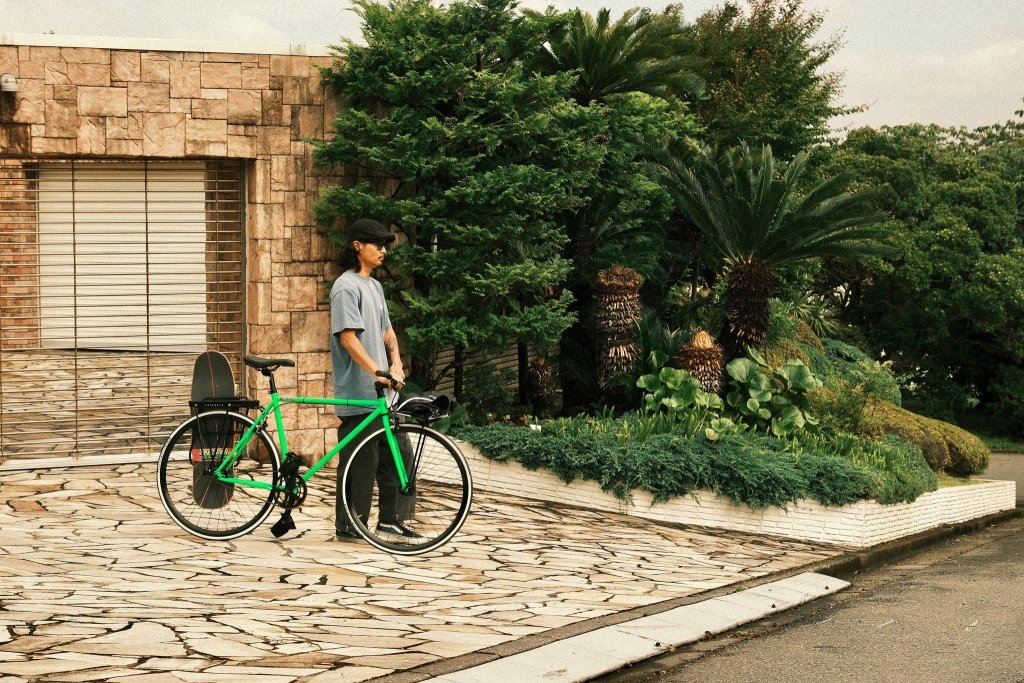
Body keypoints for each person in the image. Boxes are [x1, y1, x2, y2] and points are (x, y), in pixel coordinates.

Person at [330, 218, 419, 540]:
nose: (383, 250)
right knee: (360, 462)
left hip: (384, 394)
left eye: (385, 245)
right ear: (358, 247)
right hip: (358, 391)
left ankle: (391, 519)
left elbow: (386, 330)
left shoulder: (375, 286)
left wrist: (395, 364)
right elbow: (348, 338)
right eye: (377, 244)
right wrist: (375, 371)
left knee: (398, 454)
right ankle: (350, 525)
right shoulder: (345, 287)